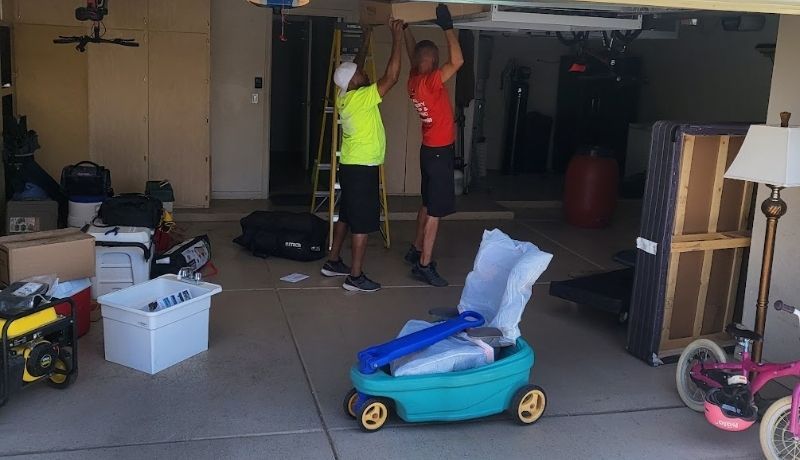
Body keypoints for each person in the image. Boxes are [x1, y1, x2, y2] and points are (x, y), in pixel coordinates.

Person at [320, 19, 405, 292]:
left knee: (347, 214)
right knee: (363, 222)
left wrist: (366, 36)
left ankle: (333, 261)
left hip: (351, 165)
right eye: (361, 72)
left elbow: (353, 66)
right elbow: (392, 77)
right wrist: (396, 38)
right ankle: (355, 277)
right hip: (362, 168)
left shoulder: (345, 93)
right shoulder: (362, 97)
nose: (364, 71)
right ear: (355, 80)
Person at [402, 4, 463, 287]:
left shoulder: (414, 80)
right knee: (436, 211)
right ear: (435, 59)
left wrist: (404, 31)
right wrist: (447, 28)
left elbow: (413, 55)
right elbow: (458, 61)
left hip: (429, 151)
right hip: (439, 153)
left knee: (427, 203)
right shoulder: (430, 81)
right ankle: (424, 265)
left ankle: (415, 249)